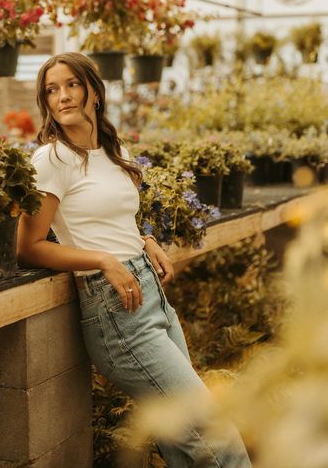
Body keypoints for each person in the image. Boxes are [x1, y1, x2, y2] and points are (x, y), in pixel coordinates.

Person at [17, 52, 252, 467]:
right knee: (218, 438)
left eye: (72, 84)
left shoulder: (113, 149)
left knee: (181, 442)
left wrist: (144, 239)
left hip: (150, 294)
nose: (63, 96)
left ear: (94, 91)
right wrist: (104, 259)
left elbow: (110, 217)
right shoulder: (52, 159)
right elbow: (30, 245)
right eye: (51, 90)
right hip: (115, 310)